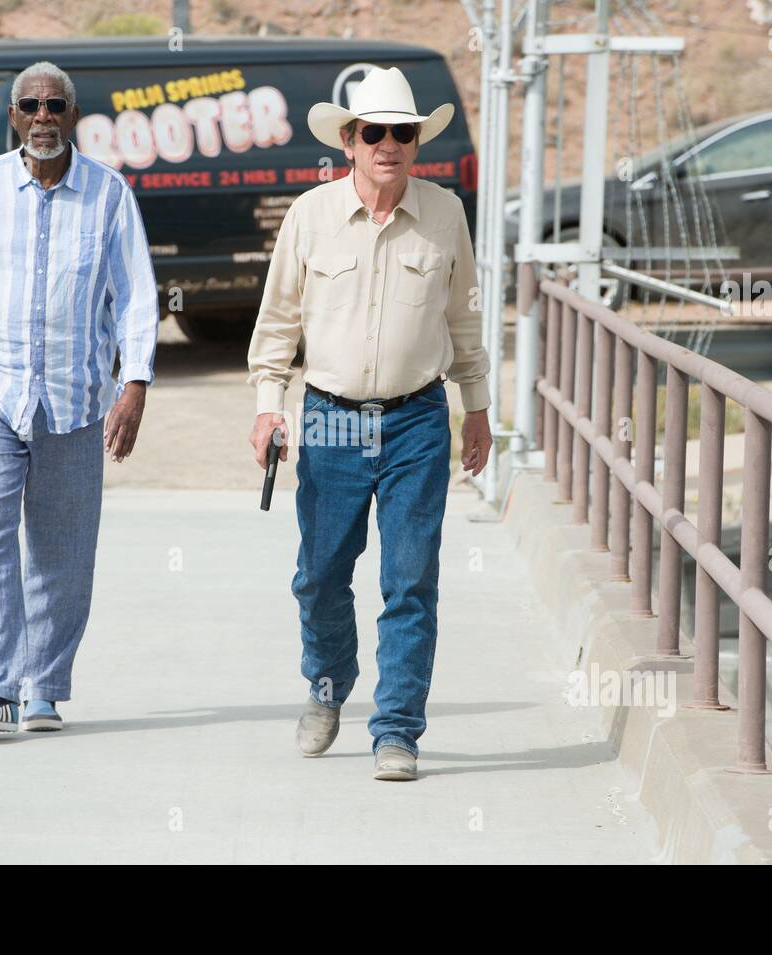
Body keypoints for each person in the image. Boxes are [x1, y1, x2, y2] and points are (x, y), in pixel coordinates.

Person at [246, 67, 492, 780]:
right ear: (348, 141)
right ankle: (327, 687)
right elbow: (278, 323)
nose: (389, 143)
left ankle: (397, 730)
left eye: (403, 132)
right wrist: (269, 406)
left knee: (410, 580)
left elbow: (463, 317)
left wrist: (475, 405)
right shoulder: (309, 215)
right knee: (320, 575)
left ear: (417, 143)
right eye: (374, 131)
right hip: (329, 419)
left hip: (418, 419)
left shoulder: (446, 214)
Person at [0, 61, 158, 733]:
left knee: (63, 546)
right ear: (14, 118)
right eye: (30, 105)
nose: (43, 115)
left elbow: (136, 295)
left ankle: (42, 684)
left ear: (74, 117)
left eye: (55, 105)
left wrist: (135, 383)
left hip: (75, 398)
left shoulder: (108, 195)